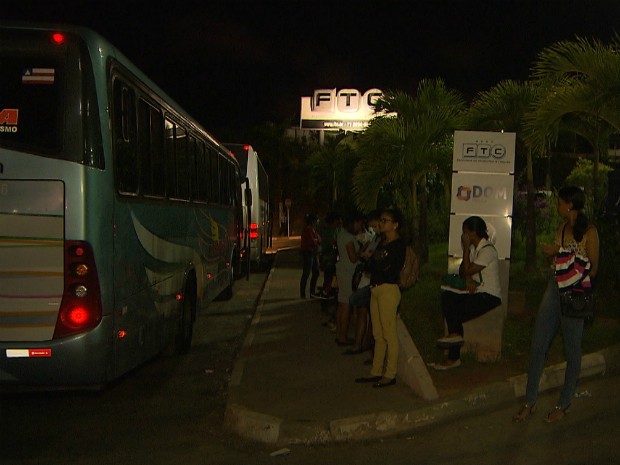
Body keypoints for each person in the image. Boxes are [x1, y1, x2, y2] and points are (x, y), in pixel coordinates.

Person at [513, 186, 599, 423]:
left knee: (572, 350)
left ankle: (564, 403)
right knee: (538, 343)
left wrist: (560, 253)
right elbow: (557, 261)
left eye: (560, 202)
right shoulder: (562, 229)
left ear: (569, 204)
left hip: (576, 291)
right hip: (554, 287)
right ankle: (530, 401)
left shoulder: (590, 232)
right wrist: (551, 254)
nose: (558, 205)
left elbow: (594, 267)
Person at [435, 216, 502, 370]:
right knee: (447, 296)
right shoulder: (474, 250)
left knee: (455, 314)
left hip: (489, 295)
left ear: (473, 233)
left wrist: (465, 249)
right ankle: (455, 343)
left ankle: (454, 355)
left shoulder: (488, 250)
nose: (463, 236)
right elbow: (462, 271)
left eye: (465, 232)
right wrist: (468, 279)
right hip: (476, 291)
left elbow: (467, 269)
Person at [355, 209, 406, 388]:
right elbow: (370, 263)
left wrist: (375, 263)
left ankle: (390, 374)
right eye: (381, 220)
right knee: (378, 334)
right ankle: (376, 371)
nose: (382, 223)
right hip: (375, 288)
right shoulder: (381, 242)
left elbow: (388, 269)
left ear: (395, 224)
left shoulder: (398, 245)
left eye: (386, 220)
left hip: (388, 289)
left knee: (389, 334)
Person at [344, 210, 381, 355]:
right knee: (361, 310)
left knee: (370, 314)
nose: (374, 228)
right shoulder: (376, 238)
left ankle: (365, 344)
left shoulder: (381, 239)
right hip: (367, 278)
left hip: (373, 280)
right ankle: (361, 343)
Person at [334, 212, 364, 345]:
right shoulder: (349, 238)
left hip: (342, 271)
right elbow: (353, 258)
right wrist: (362, 252)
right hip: (348, 273)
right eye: (359, 223)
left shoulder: (341, 235)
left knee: (341, 305)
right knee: (346, 305)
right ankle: (343, 336)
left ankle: (339, 333)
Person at [299, 213, 321, 299]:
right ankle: (303, 293)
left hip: (313, 253)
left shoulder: (313, 230)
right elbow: (313, 241)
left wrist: (317, 240)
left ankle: (312, 292)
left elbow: (319, 239)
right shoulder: (308, 230)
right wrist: (316, 240)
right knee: (306, 273)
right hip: (308, 253)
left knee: (316, 272)